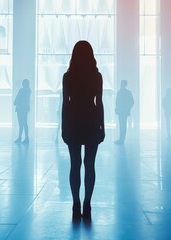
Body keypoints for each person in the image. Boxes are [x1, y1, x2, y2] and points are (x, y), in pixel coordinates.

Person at [62, 40, 105, 221]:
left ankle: (75, 203)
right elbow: (99, 102)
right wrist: (102, 126)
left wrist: (63, 126)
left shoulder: (68, 76)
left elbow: (65, 102)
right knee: (89, 165)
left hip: (73, 120)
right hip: (91, 119)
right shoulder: (96, 76)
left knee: (75, 165)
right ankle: (87, 203)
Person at [114, 80, 134, 144]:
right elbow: (131, 102)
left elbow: (117, 102)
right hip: (123, 111)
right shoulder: (127, 92)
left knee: (122, 125)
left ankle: (121, 139)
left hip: (121, 111)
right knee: (123, 125)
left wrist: (118, 109)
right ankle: (121, 139)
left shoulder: (120, 92)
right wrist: (128, 109)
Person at [14, 79, 31, 143]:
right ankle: (25, 137)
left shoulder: (22, 90)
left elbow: (17, 98)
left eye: (23, 83)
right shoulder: (28, 91)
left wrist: (15, 102)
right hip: (25, 109)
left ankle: (20, 137)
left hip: (20, 109)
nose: (22, 84)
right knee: (24, 123)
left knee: (21, 124)